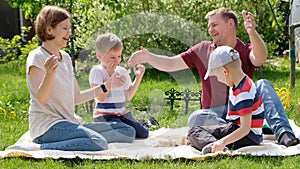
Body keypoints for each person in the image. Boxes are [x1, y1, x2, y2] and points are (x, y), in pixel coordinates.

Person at [128, 7, 299, 146]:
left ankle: (283, 132)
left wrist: (252, 32)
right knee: (196, 118)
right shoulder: (203, 49)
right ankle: (238, 133)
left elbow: (260, 58)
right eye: (209, 26)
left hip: (243, 109)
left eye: (214, 25)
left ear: (230, 24)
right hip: (215, 114)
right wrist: (149, 57)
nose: (210, 30)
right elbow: (172, 63)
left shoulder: (243, 49)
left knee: (262, 84)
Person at [11, 5, 136, 152]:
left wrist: (106, 86)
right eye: (64, 28)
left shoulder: (65, 58)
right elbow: (41, 99)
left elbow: (76, 97)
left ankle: (81, 138)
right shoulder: (37, 57)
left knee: (127, 131)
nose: (69, 33)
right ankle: (37, 148)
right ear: (49, 29)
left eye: (69, 28)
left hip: (70, 122)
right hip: (47, 127)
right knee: (98, 142)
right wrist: (49, 74)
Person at [188, 46, 264, 154]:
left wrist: (223, 142)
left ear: (225, 71)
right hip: (238, 130)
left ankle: (217, 147)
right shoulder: (241, 82)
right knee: (196, 130)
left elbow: (245, 129)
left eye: (217, 77)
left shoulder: (243, 93)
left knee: (194, 132)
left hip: (247, 137)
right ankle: (215, 145)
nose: (219, 80)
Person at [89, 33, 149, 138]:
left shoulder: (122, 71)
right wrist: (110, 78)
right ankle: (95, 130)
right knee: (129, 132)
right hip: (105, 117)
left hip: (121, 116)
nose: (117, 60)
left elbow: (128, 96)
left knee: (144, 133)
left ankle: (115, 131)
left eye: (119, 56)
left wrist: (138, 77)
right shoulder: (97, 71)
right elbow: (100, 97)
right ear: (99, 56)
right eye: (112, 57)